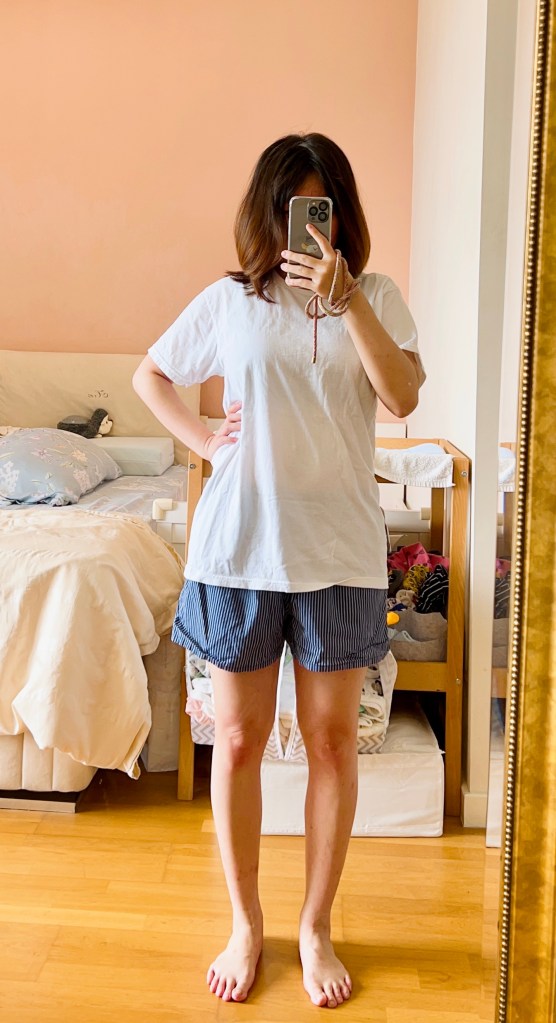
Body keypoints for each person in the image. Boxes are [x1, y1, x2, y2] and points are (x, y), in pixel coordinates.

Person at [133, 132, 425, 1009]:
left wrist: (347, 301)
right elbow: (151, 375)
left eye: (321, 208)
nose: (309, 227)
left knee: (333, 743)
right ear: (268, 213)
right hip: (240, 550)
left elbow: (402, 396)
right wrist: (203, 439)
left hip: (338, 551)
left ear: (341, 214)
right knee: (239, 740)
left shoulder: (376, 295)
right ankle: (245, 921)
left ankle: (316, 925)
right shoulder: (232, 301)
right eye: (294, 208)